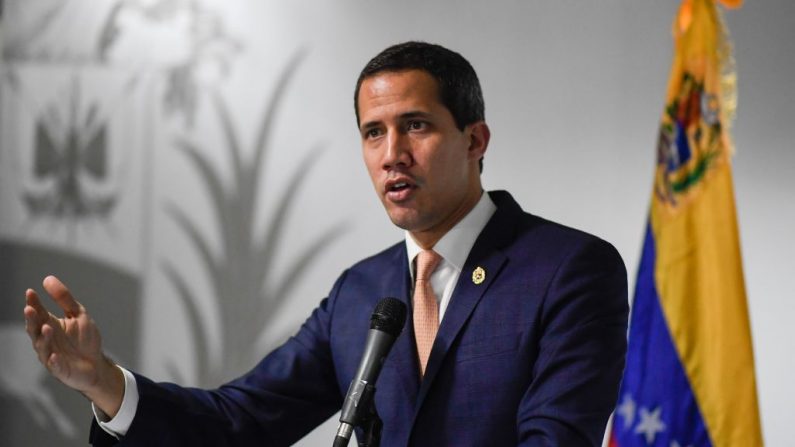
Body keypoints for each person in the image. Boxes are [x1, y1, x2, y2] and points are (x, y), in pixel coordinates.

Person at [23, 41, 628, 446]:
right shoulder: (360, 291)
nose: (392, 154)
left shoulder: (569, 269)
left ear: (475, 140)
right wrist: (105, 381)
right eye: (373, 132)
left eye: (415, 125)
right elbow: (241, 422)